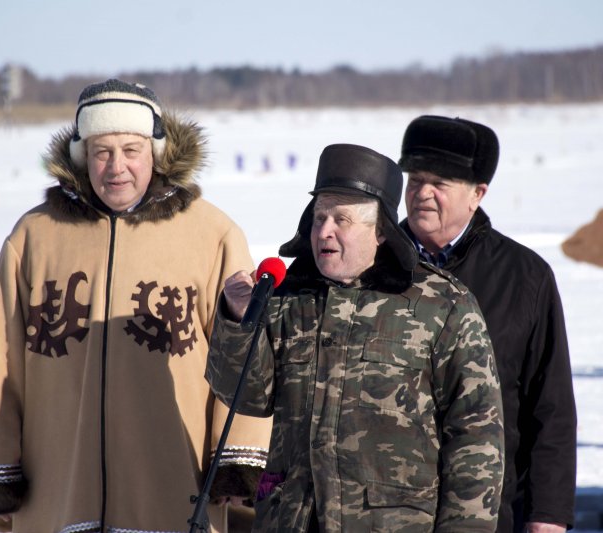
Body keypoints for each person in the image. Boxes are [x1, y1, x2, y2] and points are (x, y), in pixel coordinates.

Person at [0, 79, 272, 532]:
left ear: (155, 152)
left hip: (172, 484)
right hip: (56, 487)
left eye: (131, 150)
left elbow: (247, 356)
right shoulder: (34, 236)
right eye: (103, 151)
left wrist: (236, 460)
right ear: (84, 157)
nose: (116, 167)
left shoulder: (212, 234)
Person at [206, 143, 505, 531]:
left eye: (341, 220)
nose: (324, 231)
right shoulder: (286, 295)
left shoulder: (441, 304)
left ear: (380, 231)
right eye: (318, 217)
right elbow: (245, 397)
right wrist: (237, 320)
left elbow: (476, 435)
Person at [397, 115, 578, 533]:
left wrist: (548, 513)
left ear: (477, 193)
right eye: (415, 179)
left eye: (439, 183)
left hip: (490, 510)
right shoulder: (373, 268)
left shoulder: (524, 276)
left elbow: (550, 406)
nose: (422, 193)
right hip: (386, 510)